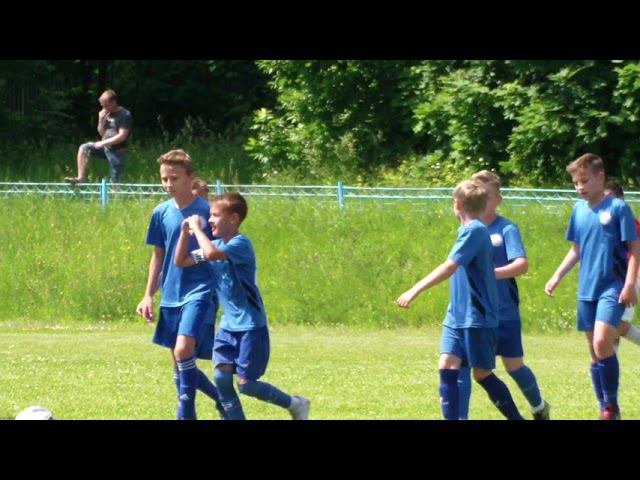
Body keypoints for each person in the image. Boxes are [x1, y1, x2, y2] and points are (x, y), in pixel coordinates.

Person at [175, 192, 311, 420]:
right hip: (228, 326)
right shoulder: (215, 244)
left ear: (233, 219)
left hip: (250, 326)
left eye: (215, 215)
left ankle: (296, 404)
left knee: (247, 385)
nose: (209, 220)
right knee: (221, 378)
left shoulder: (241, 244)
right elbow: (182, 260)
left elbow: (211, 253)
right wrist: (184, 233)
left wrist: (197, 230)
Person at [396, 179, 524, 420]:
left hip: (477, 316)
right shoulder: (468, 230)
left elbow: (449, 267)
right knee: (447, 365)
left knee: (482, 374)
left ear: (457, 205)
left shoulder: (475, 231)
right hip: (457, 314)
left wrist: (415, 289)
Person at [545, 153, 640, 420]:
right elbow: (576, 249)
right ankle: (603, 407)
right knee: (594, 352)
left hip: (613, 286)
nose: (580, 187)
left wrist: (629, 284)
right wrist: (557, 276)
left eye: (585, 181)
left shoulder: (618, 208)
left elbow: (635, 249)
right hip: (587, 289)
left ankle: (611, 406)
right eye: (576, 183)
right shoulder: (579, 210)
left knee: (602, 341)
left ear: (600, 177)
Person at [453, 171, 550, 420]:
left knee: (514, 366)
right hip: (475, 313)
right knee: (467, 366)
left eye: (487, 195)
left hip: (504, 312)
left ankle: (539, 407)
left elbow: (521, 265)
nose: (482, 199)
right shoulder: (466, 229)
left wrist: (489, 274)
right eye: (478, 194)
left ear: (498, 200)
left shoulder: (505, 228)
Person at [136, 149, 223, 420]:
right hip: (172, 292)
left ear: (190, 178)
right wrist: (148, 295)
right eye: (164, 179)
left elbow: (220, 249)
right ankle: (222, 400)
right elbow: (158, 255)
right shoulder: (160, 212)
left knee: (183, 350)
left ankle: (184, 415)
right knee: (179, 362)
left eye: (174, 178)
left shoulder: (207, 212)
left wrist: (197, 259)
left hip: (201, 290)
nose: (168, 184)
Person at [603, 181, 640, 349]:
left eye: (611, 198)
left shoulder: (629, 222)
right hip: (614, 279)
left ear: (621, 199)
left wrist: (633, 283)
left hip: (631, 277)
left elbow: (636, 252)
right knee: (614, 324)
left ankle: (609, 365)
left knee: (617, 325)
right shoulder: (607, 224)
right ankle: (610, 366)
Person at [65, 89, 131, 184]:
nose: (103, 108)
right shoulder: (106, 113)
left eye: (106, 105)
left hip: (117, 150)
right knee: (84, 148)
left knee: (116, 179)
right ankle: (80, 178)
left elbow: (122, 136)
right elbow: (101, 133)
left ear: (113, 102)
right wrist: (100, 120)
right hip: (105, 147)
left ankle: (116, 190)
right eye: (102, 105)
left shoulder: (124, 114)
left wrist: (103, 143)